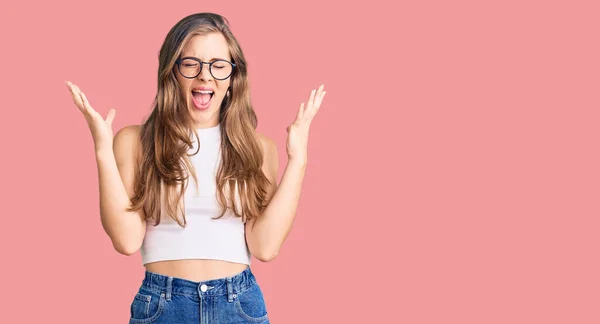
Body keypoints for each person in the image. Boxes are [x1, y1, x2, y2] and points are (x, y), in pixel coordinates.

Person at [66, 12, 326, 323]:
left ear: (232, 78)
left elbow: (265, 247)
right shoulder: (135, 141)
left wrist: (298, 160)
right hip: (163, 305)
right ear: (171, 72)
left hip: (239, 305)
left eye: (219, 65)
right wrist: (102, 150)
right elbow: (126, 241)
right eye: (191, 64)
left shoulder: (258, 149)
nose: (206, 76)